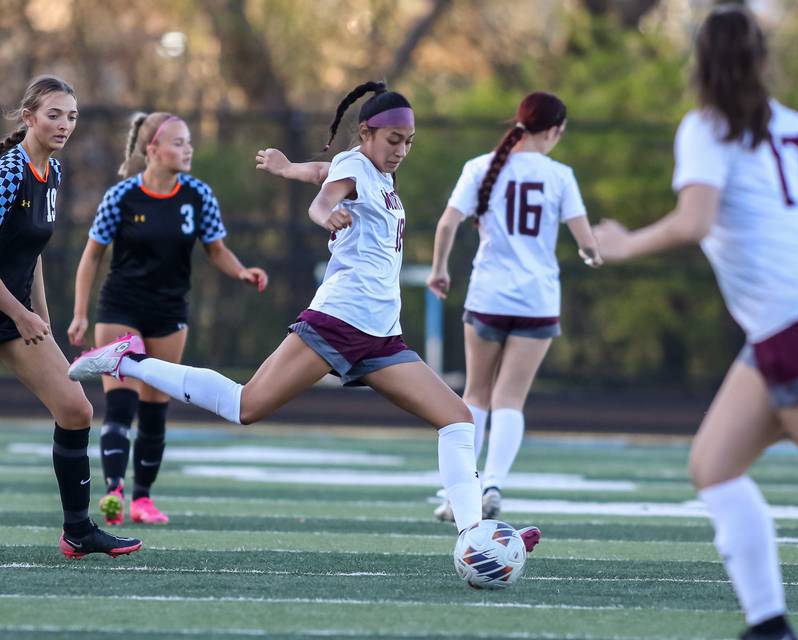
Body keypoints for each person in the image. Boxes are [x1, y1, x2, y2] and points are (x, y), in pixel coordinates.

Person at [68, 80, 540, 551]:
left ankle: (474, 536)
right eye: (394, 141)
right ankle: (125, 361)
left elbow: (322, 171)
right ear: (367, 133)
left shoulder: (374, 170)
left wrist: (289, 167)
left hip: (381, 335)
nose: (401, 151)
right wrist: (323, 214)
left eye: (408, 142)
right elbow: (326, 195)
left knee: (458, 420)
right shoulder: (357, 164)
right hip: (338, 320)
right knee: (245, 406)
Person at [593, 5, 798, 639]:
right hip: (774, 330)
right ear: (763, 60)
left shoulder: (706, 128)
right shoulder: (792, 126)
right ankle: (767, 625)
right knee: (713, 465)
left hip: (788, 327)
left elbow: (694, 222)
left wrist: (623, 244)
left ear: (698, 66)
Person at [67, 112, 268, 526]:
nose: (188, 148)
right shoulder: (122, 196)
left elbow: (216, 249)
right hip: (120, 305)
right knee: (121, 402)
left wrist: (241, 271)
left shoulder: (198, 195)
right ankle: (114, 494)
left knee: (156, 408)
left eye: (189, 141)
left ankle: (142, 499)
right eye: (179, 142)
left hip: (170, 311)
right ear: (152, 150)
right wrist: (80, 313)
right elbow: (91, 256)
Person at [426, 92, 601, 522]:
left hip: (488, 296)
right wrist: (594, 252)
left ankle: (461, 492)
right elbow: (586, 243)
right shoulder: (560, 175)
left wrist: (439, 270)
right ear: (556, 130)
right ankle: (493, 484)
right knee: (511, 399)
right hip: (537, 300)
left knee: (476, 395)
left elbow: (447, 222)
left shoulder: (480, 167)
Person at [0, 75, 141, 558]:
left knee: (77, 409)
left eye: (72, 116)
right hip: (8, 311)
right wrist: (21, 315)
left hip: (13, 313)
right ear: (29, 118)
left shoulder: (53, 174)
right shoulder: (6, 172)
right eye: (54, 114)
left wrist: (41, 319)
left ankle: (78, 531)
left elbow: (30, 254)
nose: (65, 124)